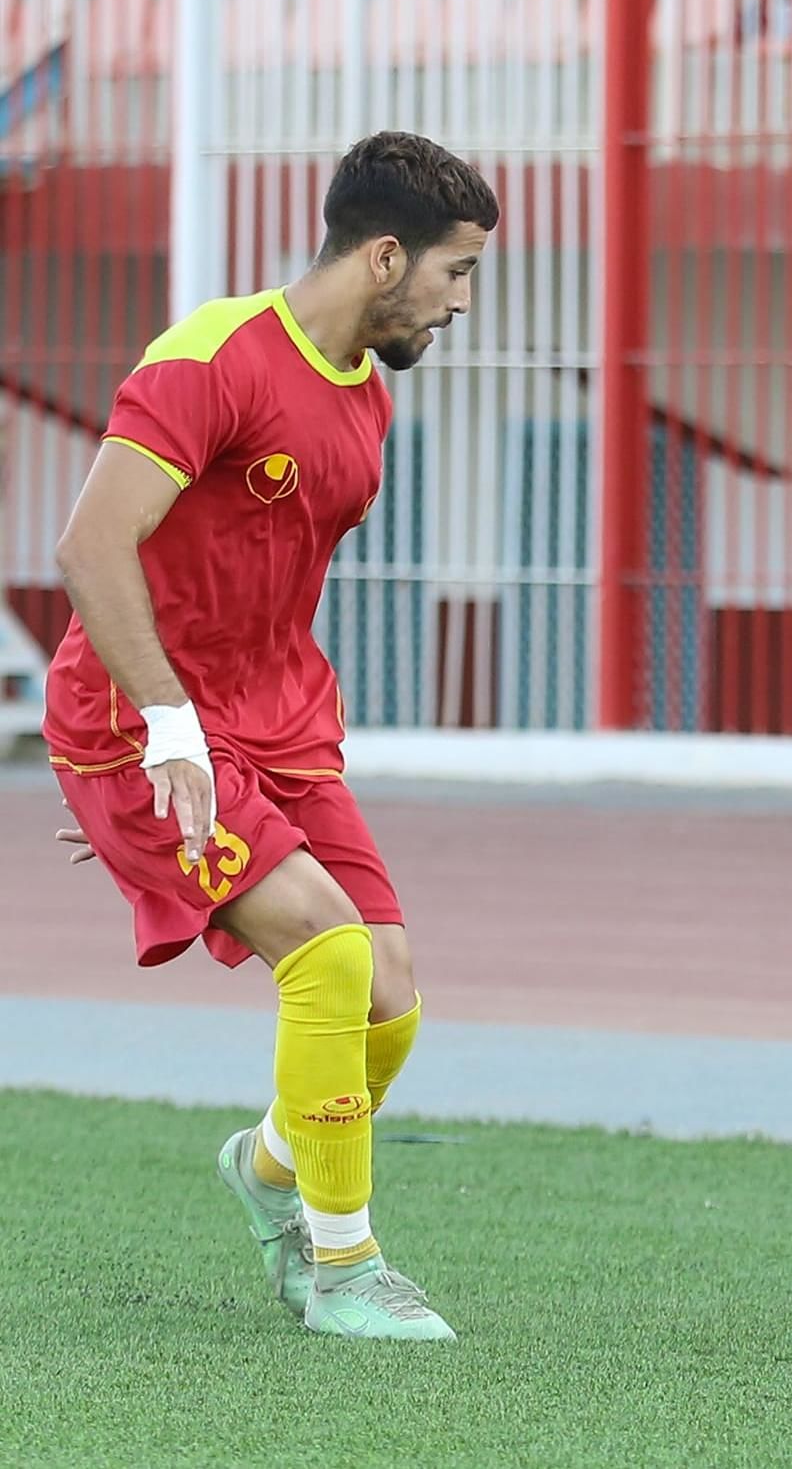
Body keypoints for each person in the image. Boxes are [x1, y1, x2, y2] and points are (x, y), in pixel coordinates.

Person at [45, 129, 500, 1341]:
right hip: (142, 721)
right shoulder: (211, 358)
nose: (463, 302)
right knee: (329, 954)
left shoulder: (368, 398)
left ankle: (264, 1165)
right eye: (457, 272)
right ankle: (342, 1266)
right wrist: (156, 743)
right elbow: (90, 547)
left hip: (277, 725)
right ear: (387, 256)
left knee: (389, 998)